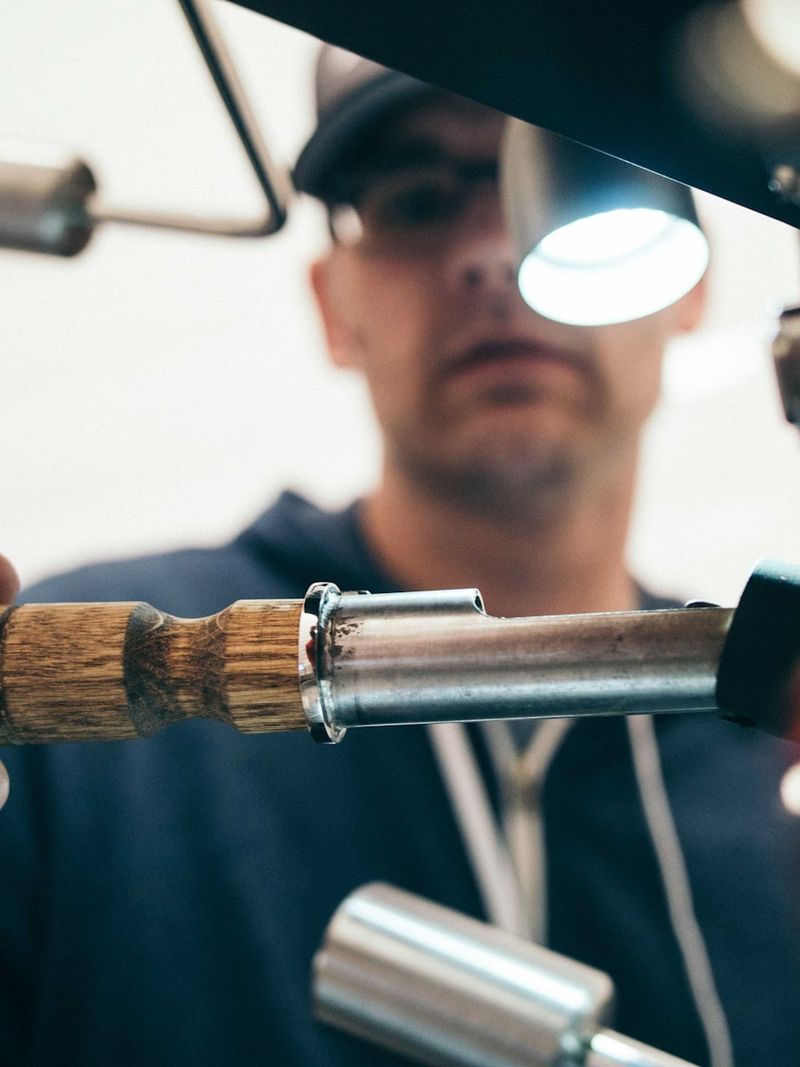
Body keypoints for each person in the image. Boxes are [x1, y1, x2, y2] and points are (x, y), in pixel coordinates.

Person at [1, 44, 799, 1067]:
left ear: (688, 287)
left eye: (572, 183)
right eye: (415, 201)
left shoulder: (771, 759)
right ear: (334, 306)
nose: (491, 249)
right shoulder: (76, 711)